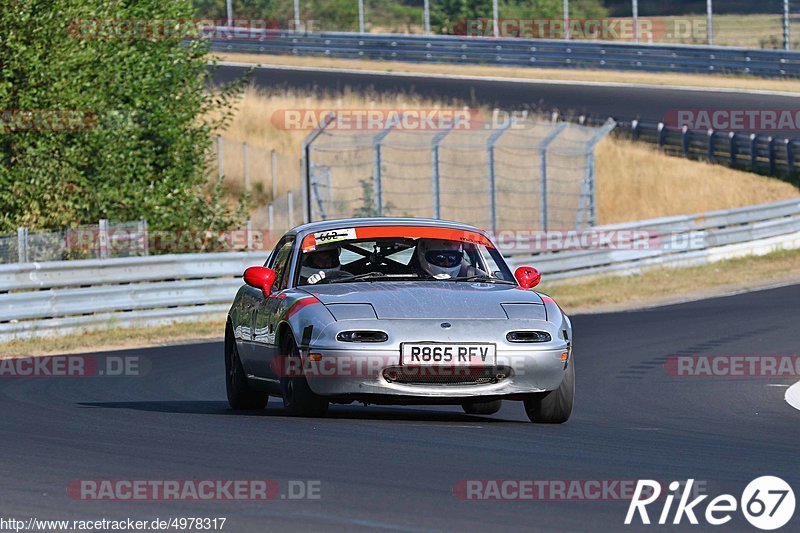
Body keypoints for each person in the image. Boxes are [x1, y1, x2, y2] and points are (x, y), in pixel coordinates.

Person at [414, 238, 486, 279]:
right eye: (440, 258)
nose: (446, 262)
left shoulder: (474, 275)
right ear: (423, 255)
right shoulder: (407, 277)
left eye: (452, 258)